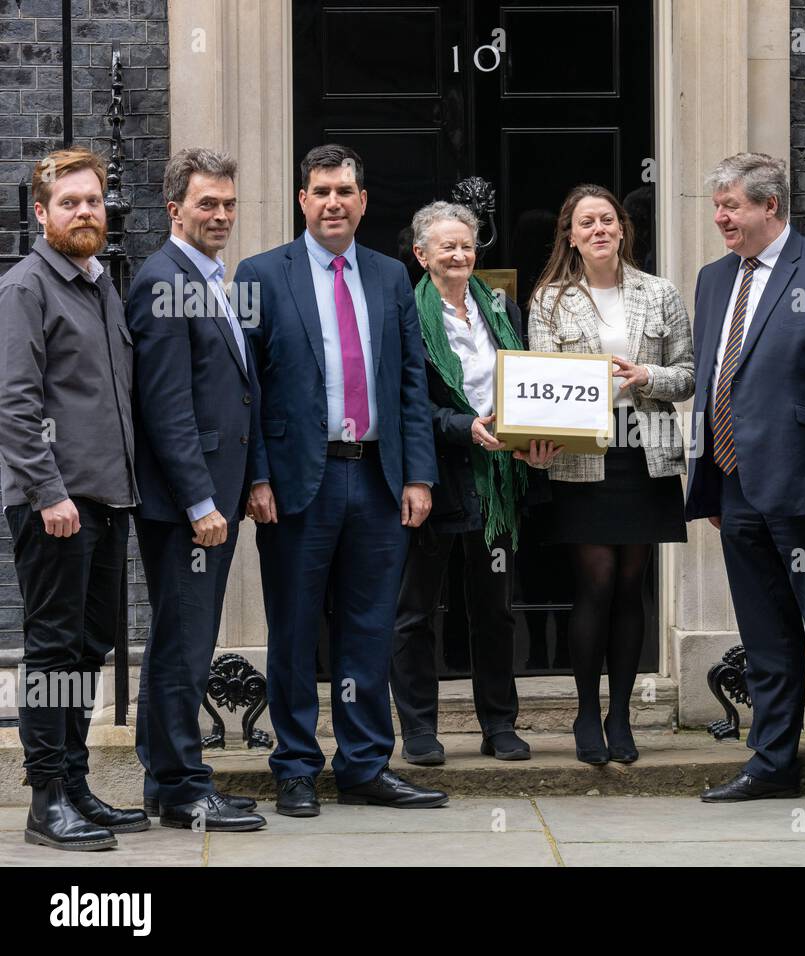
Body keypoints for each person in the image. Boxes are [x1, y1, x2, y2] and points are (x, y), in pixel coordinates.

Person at [236, 144, 446, 816]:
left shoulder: (389, 278)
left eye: (345, 191)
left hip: (379, 482)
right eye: (321, 191)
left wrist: (419, 474)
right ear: (302, 200)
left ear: (362, 201)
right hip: (300, 482)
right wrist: (256, 476)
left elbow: (412, 380)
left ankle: (363, 765)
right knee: (295, 631)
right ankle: (295, 766)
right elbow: (245, 388)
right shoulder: (260, 274)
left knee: (368, 630)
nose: (333, 202)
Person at [685, 152, 805, 810]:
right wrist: (710, 470)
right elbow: (714, 379)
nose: (720, 218)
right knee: (764, 634)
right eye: (717, 207)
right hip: (734, 485)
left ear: (770, 206)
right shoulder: (713, 280)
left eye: (732, 206)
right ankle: (772, 759)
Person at [0, 147, 145, 850]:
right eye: (70, 203)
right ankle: (45, 799)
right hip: (55, 507)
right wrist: (48, 493)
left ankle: (78, 784)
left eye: (93, 201)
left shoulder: (100, 285)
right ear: (41, 213)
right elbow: (15, 404)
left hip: (107, 501)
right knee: (53, 652)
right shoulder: (27, 287)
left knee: (89, 647)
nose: (85, 212)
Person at [529, 184, 694, 765]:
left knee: (631, 585)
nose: (598, 229)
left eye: (607, 220)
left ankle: (620, 715)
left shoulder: (660, 293)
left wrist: (646, 374)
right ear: (570, 235)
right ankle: (583, 712)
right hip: (583, 456)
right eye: (585, 222)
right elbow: (539, 386)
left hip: (644, 453)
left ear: (622, 229)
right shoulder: (549, 300)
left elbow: (690, 374)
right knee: (594, 583)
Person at [391, 201, 558, 766]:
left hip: (497, 483)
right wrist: (464, 426)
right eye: (447, 247)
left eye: (466, 245)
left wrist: (535, 433)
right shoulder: (407, 315)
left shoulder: (500, 306)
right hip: (436, 478)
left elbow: (526, 382)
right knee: (415, 610)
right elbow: (406, 404)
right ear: (422, 255)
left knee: (494, 608)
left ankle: (499, 724)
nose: (460, 255)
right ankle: (418, 729)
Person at [127, 148, 265, 832]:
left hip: (216, 497)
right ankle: (182, 788)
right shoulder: (163, 280)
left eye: (229, 204)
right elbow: (166, 406)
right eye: (206, 203)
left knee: (185, 639)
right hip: (189, 509)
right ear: (174, 207)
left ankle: (169, 779)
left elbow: (236, 391)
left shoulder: (214, 278)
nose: (220, 215)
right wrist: (200, 502)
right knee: (183, 644)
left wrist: (249, 481)